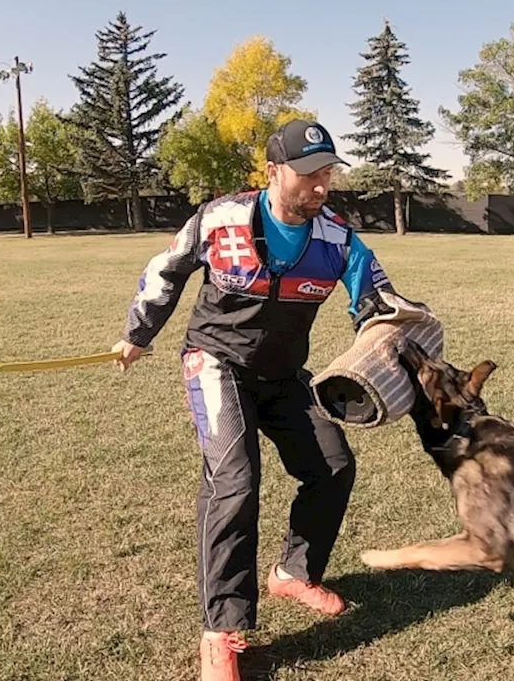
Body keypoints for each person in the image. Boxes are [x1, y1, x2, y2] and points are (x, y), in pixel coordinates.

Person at [112, 119, 397, 681]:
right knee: (234, 481)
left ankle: (294, 573)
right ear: (274, 172)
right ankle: (222, 629)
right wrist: (137, 334)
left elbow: (377, 301)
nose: (321, 186)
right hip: (216, 364)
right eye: (310, 174)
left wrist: (395, 328)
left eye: (328, 174)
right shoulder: (221, 219)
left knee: (333, 466)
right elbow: (165, 270)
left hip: (286, 375)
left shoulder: (338, 239)